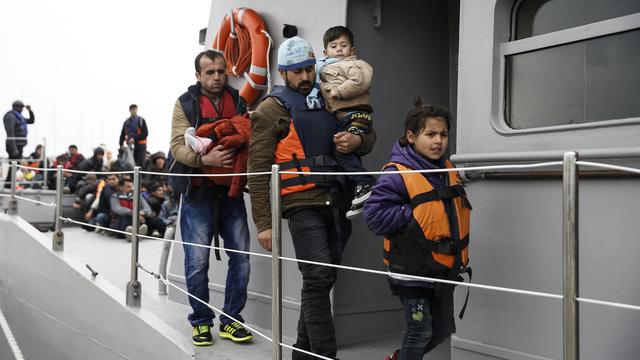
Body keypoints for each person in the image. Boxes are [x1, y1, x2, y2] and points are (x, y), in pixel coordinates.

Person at [248, 36, 376, 360]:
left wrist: (356, 141)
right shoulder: (270, 110)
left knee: (322, 279)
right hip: (301, 203)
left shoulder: (331, 93)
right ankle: (324, 355)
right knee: (318, 275)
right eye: (297, 73)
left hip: (338, 200)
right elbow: (259, 169)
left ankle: (302, 353)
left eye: (308, 69)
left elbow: (368, 133)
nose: (305, 78)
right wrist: (264, 223)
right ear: (282, 73)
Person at [363, 98, 471, 360]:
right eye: (430, 134)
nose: (438, 141)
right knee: (420, 329)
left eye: (443, 134)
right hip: (411, 271)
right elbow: (374, 216)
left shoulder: (447, 169)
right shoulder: (397, 173)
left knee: (443, 329)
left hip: (442, 268)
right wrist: (414, 216)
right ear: (411, 136)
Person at [170, 49, 253, 346]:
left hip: (231, 194)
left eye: (220, 71)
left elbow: (248, 137)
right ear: (198, 75)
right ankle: (201, 321)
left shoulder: (239, 101)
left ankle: (231, 321)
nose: (217, 77)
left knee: (242, 258)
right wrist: (206, 160)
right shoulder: (185, 103)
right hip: (198, 194)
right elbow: (178, 147)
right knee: (196, 262)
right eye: (210, 72)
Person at [305, 26, 376, 218]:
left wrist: (339, 91)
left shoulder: (355, 64)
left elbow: (361, 80)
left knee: (341, 151)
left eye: (343, 45)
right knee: (343, 152)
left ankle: (365, 182)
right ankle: (358, 192)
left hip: (357, 115)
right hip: (343, 119)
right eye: (334, 46)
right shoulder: (323, 68)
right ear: (325, 52)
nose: (339, 50)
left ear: (351, 50)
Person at [3, 100, 35, 187]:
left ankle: (9, 184)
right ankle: (8, 185)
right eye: (20, 107)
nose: (22, 109)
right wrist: (14, 149)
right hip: (13, 146)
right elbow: (11, 133)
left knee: (16, 165)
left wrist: (30, 111)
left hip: (19, 145)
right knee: (13, 165)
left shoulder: (19, 117)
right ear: (16, 107)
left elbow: (31, 121)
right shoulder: (10, 116)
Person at [109, 177, 150, 241]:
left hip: (137, 217)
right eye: (128, 187)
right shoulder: (115, 196)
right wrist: (134, 213)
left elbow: (147, 208)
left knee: (148, 219)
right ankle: (132, 234)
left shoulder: (137, 195)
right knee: (124, 218)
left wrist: (143, 213)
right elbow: (117, 209)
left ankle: (135, 233)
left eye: (132, 186)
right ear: (121, 187)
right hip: (120, 220)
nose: (131, 189)